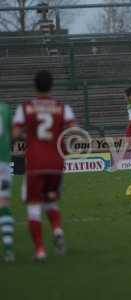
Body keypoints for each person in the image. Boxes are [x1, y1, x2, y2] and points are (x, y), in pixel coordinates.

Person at [13, 70, 76, 261]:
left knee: (33, 206)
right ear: (51, 86)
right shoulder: (62, 107)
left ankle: (40, 250)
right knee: (50, 200)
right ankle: (57, 230)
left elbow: (15, 133)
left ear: (34, 85)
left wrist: (29, 136)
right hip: (56, 162)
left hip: (35, 163)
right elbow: (73, 130)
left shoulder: (26, 107)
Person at [0, 102, 15, 262]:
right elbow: (12, 134)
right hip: (2, 163)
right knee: (3, 203)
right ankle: (9, 248)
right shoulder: (4, 109)